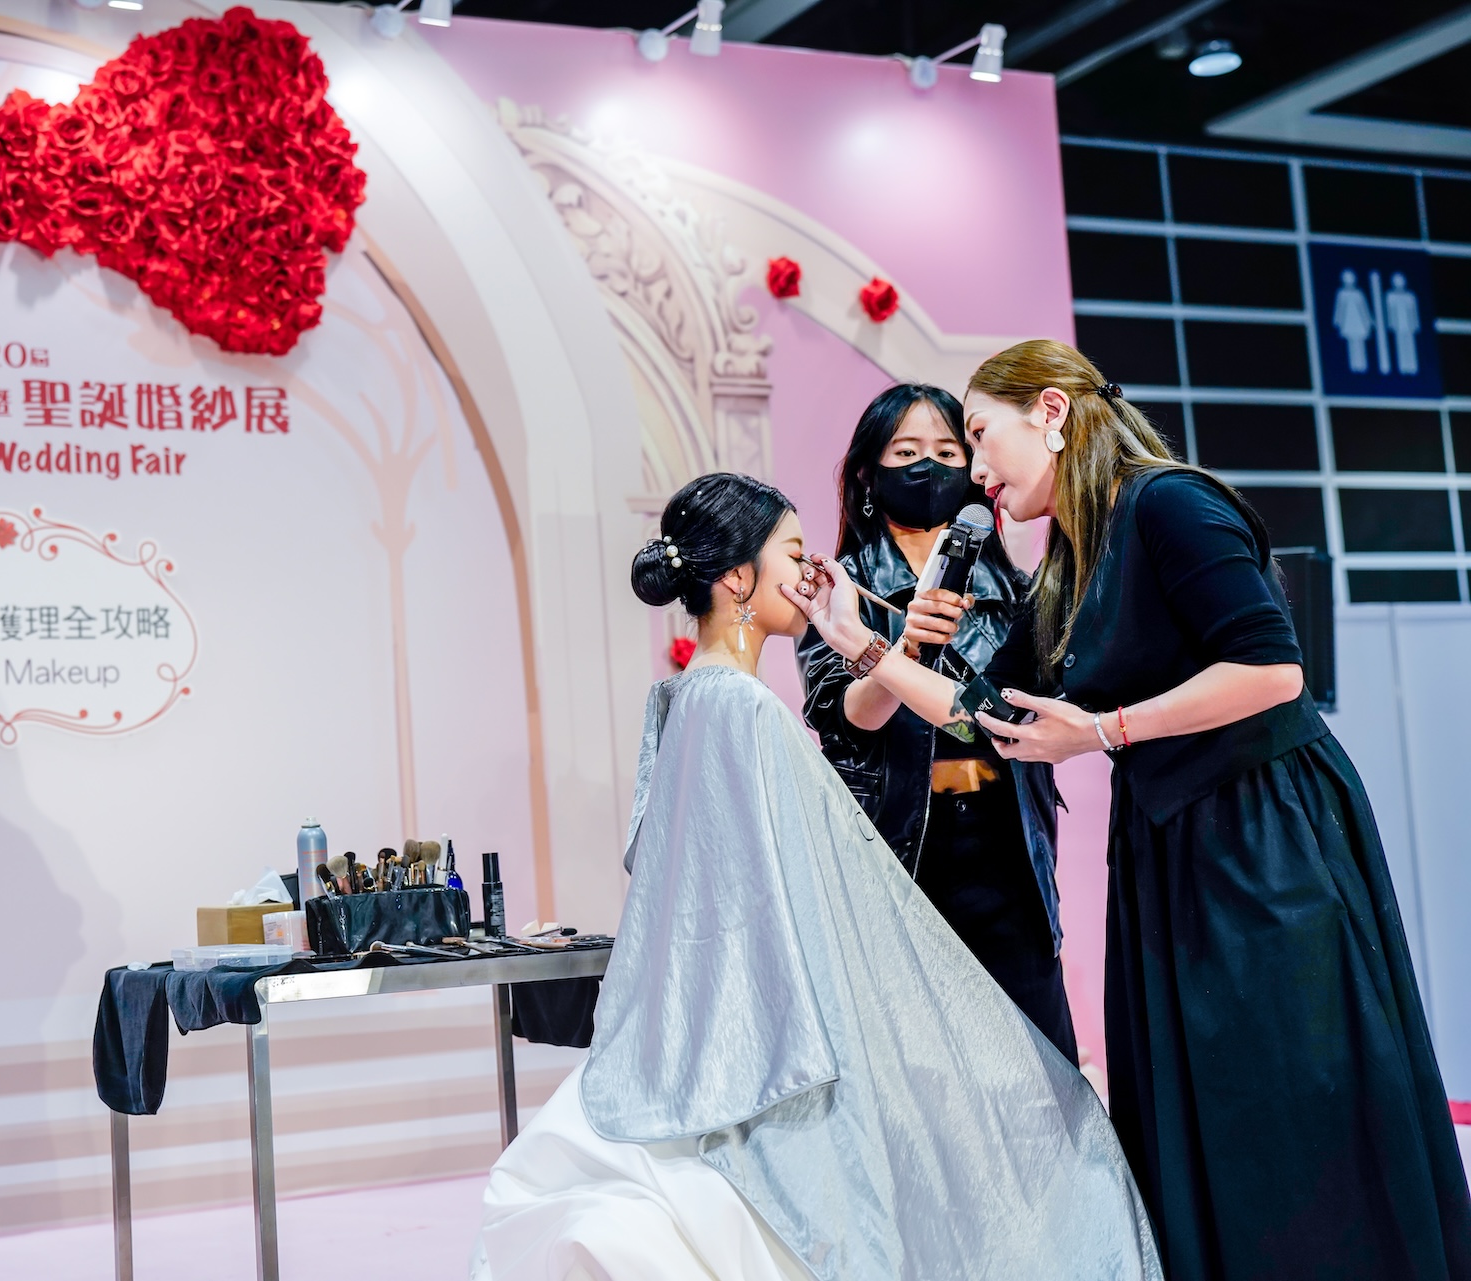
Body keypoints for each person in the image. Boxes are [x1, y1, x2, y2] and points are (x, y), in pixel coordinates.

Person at [798, 339, 1471, 1281]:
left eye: (978, 436)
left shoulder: (1169, 503)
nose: (973, 470)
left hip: (1263, 836)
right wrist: (863, 647)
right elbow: (987, 713)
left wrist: (1107, 729)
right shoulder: (1069, 560)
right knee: (1198, 1108)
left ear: (1052, 414)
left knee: (1290, 1093)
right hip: (1166, 846)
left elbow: (1273, 671)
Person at [471, 473, 1161, 1281]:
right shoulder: (744, 708)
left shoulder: (688, 698)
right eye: (793, 553)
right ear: (738, 578)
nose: (810, 570)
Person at [796, 383, 1076, 1062]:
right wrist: (906, 647)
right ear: (870, 473)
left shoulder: (1016, 587)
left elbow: (1005, 713)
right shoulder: (841, 584)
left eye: (949, 452)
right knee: (919, 1066)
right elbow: (848, 719)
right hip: (900, 847)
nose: (929, 466)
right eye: (907, 452)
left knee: (1036, 1061)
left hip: (1008, 846)